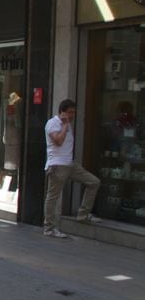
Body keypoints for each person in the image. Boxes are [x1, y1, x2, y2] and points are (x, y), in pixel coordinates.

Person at [43, 99, 101, 238]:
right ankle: (49, 228)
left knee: (94, 182)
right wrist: (64, 125)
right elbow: (58, 141)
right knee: (53, 196)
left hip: (69, 163)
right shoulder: (52, 123)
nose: (72, 115)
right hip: (57, 165)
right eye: (69, 112)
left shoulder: (68, 124)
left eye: (74, 112)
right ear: (62, 112)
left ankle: (83, 214)